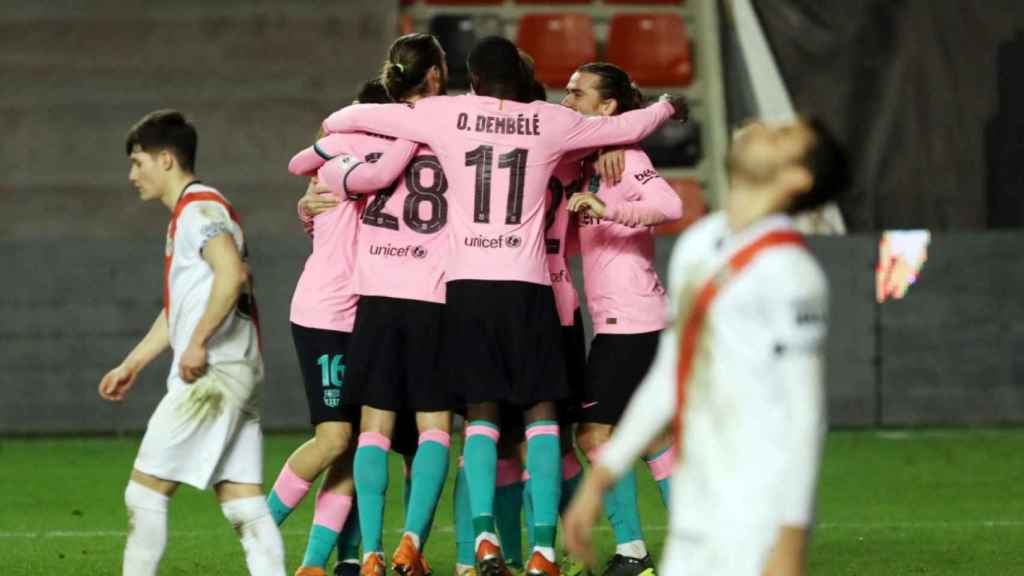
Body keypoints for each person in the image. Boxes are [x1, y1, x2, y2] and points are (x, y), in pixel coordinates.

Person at [320, 35, 688, 576]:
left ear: (472, 79)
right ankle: (543, 549)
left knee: (481, 420)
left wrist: (343, 149)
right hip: (533, 288)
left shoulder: (446, 113)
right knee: (544, 418)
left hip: (466, 289)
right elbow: (629, 127)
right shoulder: (550, 122)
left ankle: (483, 542)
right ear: (519, 79)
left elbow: (343, 117)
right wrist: (666, 106)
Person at [563, 117, 850, 576]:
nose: (762, 127)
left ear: (797, 178)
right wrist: (603, 475)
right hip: (699, 503)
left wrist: (791, 540)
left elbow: (804, 414)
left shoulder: (793, 275)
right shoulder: (702, 242)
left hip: (757, 510)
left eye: (783, 136)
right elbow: (672, 372)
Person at [98, 109, 285, 576]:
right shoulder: (193, 211)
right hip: (237, 368)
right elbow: (179, 308)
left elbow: (231, 272)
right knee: (242, 501)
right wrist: (134, 363)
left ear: (165, 160)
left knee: (143, 492)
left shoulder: (199, 210)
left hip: (214, 373)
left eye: (138, 162)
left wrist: (199, 342)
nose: (132, 175)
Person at [297, 34, 454, 576]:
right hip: (435, 297)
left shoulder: (357, 137)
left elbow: (312, 165)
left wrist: (311, 194)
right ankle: (413, 542)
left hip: (376, 300)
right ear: (434, 75)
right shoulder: (456, 124)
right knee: (435, 431)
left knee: (371, 432)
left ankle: (367, 555)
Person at [267, 78, 407, 576]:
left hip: (364, 316)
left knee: (352, 444)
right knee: (332, 439)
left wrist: (305, 207)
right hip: (326, 315)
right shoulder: (354, 160)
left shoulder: (366, 164)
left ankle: (314, 563)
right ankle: (257, 533)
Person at [561, 63, 683, 576]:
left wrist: (610, 211)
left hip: (631, 320)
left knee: (593, 434)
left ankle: (632, 551)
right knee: (652, 439)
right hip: (626, 318)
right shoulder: (592, 159)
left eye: (577, 93)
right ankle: (704, 545)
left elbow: (669, 204)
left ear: (608, 108)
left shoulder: (626, 158)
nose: (566, 100)